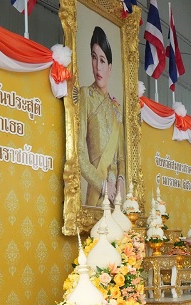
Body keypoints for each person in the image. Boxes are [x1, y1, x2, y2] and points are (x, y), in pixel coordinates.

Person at [78, 26, 126, 207]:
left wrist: (120, 181)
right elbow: (80, 154)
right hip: (97, 196)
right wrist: (104, 185)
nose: (98, 66)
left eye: (103, 60)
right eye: (93, 57)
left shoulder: (115, 108)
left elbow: (121, 158)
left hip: (117, 197)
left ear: (110, 67)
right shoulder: (86, 96)